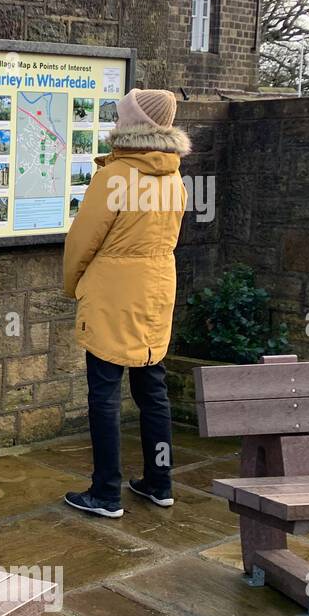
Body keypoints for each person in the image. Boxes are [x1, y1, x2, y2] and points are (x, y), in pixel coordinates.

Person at [61, 88, 191, 518]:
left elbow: (82, 241)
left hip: (113, 292)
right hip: (157, 290)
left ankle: (106, 492)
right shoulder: (174, 178)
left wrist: (72, 284)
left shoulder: (112, 177)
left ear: (133, 125)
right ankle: (159, 481)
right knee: (152, 390)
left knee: (104, 393)